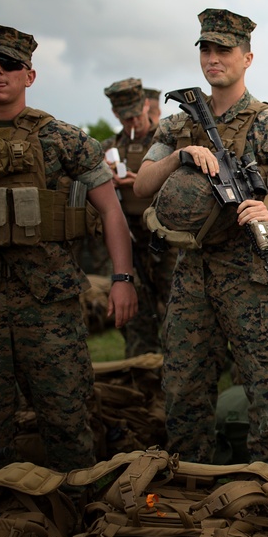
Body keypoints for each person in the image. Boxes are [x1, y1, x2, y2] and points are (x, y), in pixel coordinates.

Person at [133, 8, 268, 468]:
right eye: (206, 48)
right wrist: (181, 155)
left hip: (251, 273)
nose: (213, 57)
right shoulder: (178, 123)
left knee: (262, 381)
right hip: (192, 270)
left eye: (224, 49)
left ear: (247, 58)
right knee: (182, 380)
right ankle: (189, 474)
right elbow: (142, 185)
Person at [0, 23, 138, 474]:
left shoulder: (64, 139)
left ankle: (79, 518)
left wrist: (122, 279)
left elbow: (111, 212)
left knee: (67, 419)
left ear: (30, 75)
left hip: (48, 302)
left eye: (11, 65)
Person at [103, 78, 177, 356]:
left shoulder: (165, 142)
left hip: (165, 239)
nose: (133, 122)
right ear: (116, 115)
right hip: (129, 240)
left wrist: (144, 182)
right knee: (136, 313)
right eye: (126, 118)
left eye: (137, 114)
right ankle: (142, 370)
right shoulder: (108, 149)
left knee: (176, 309)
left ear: (147, 105)